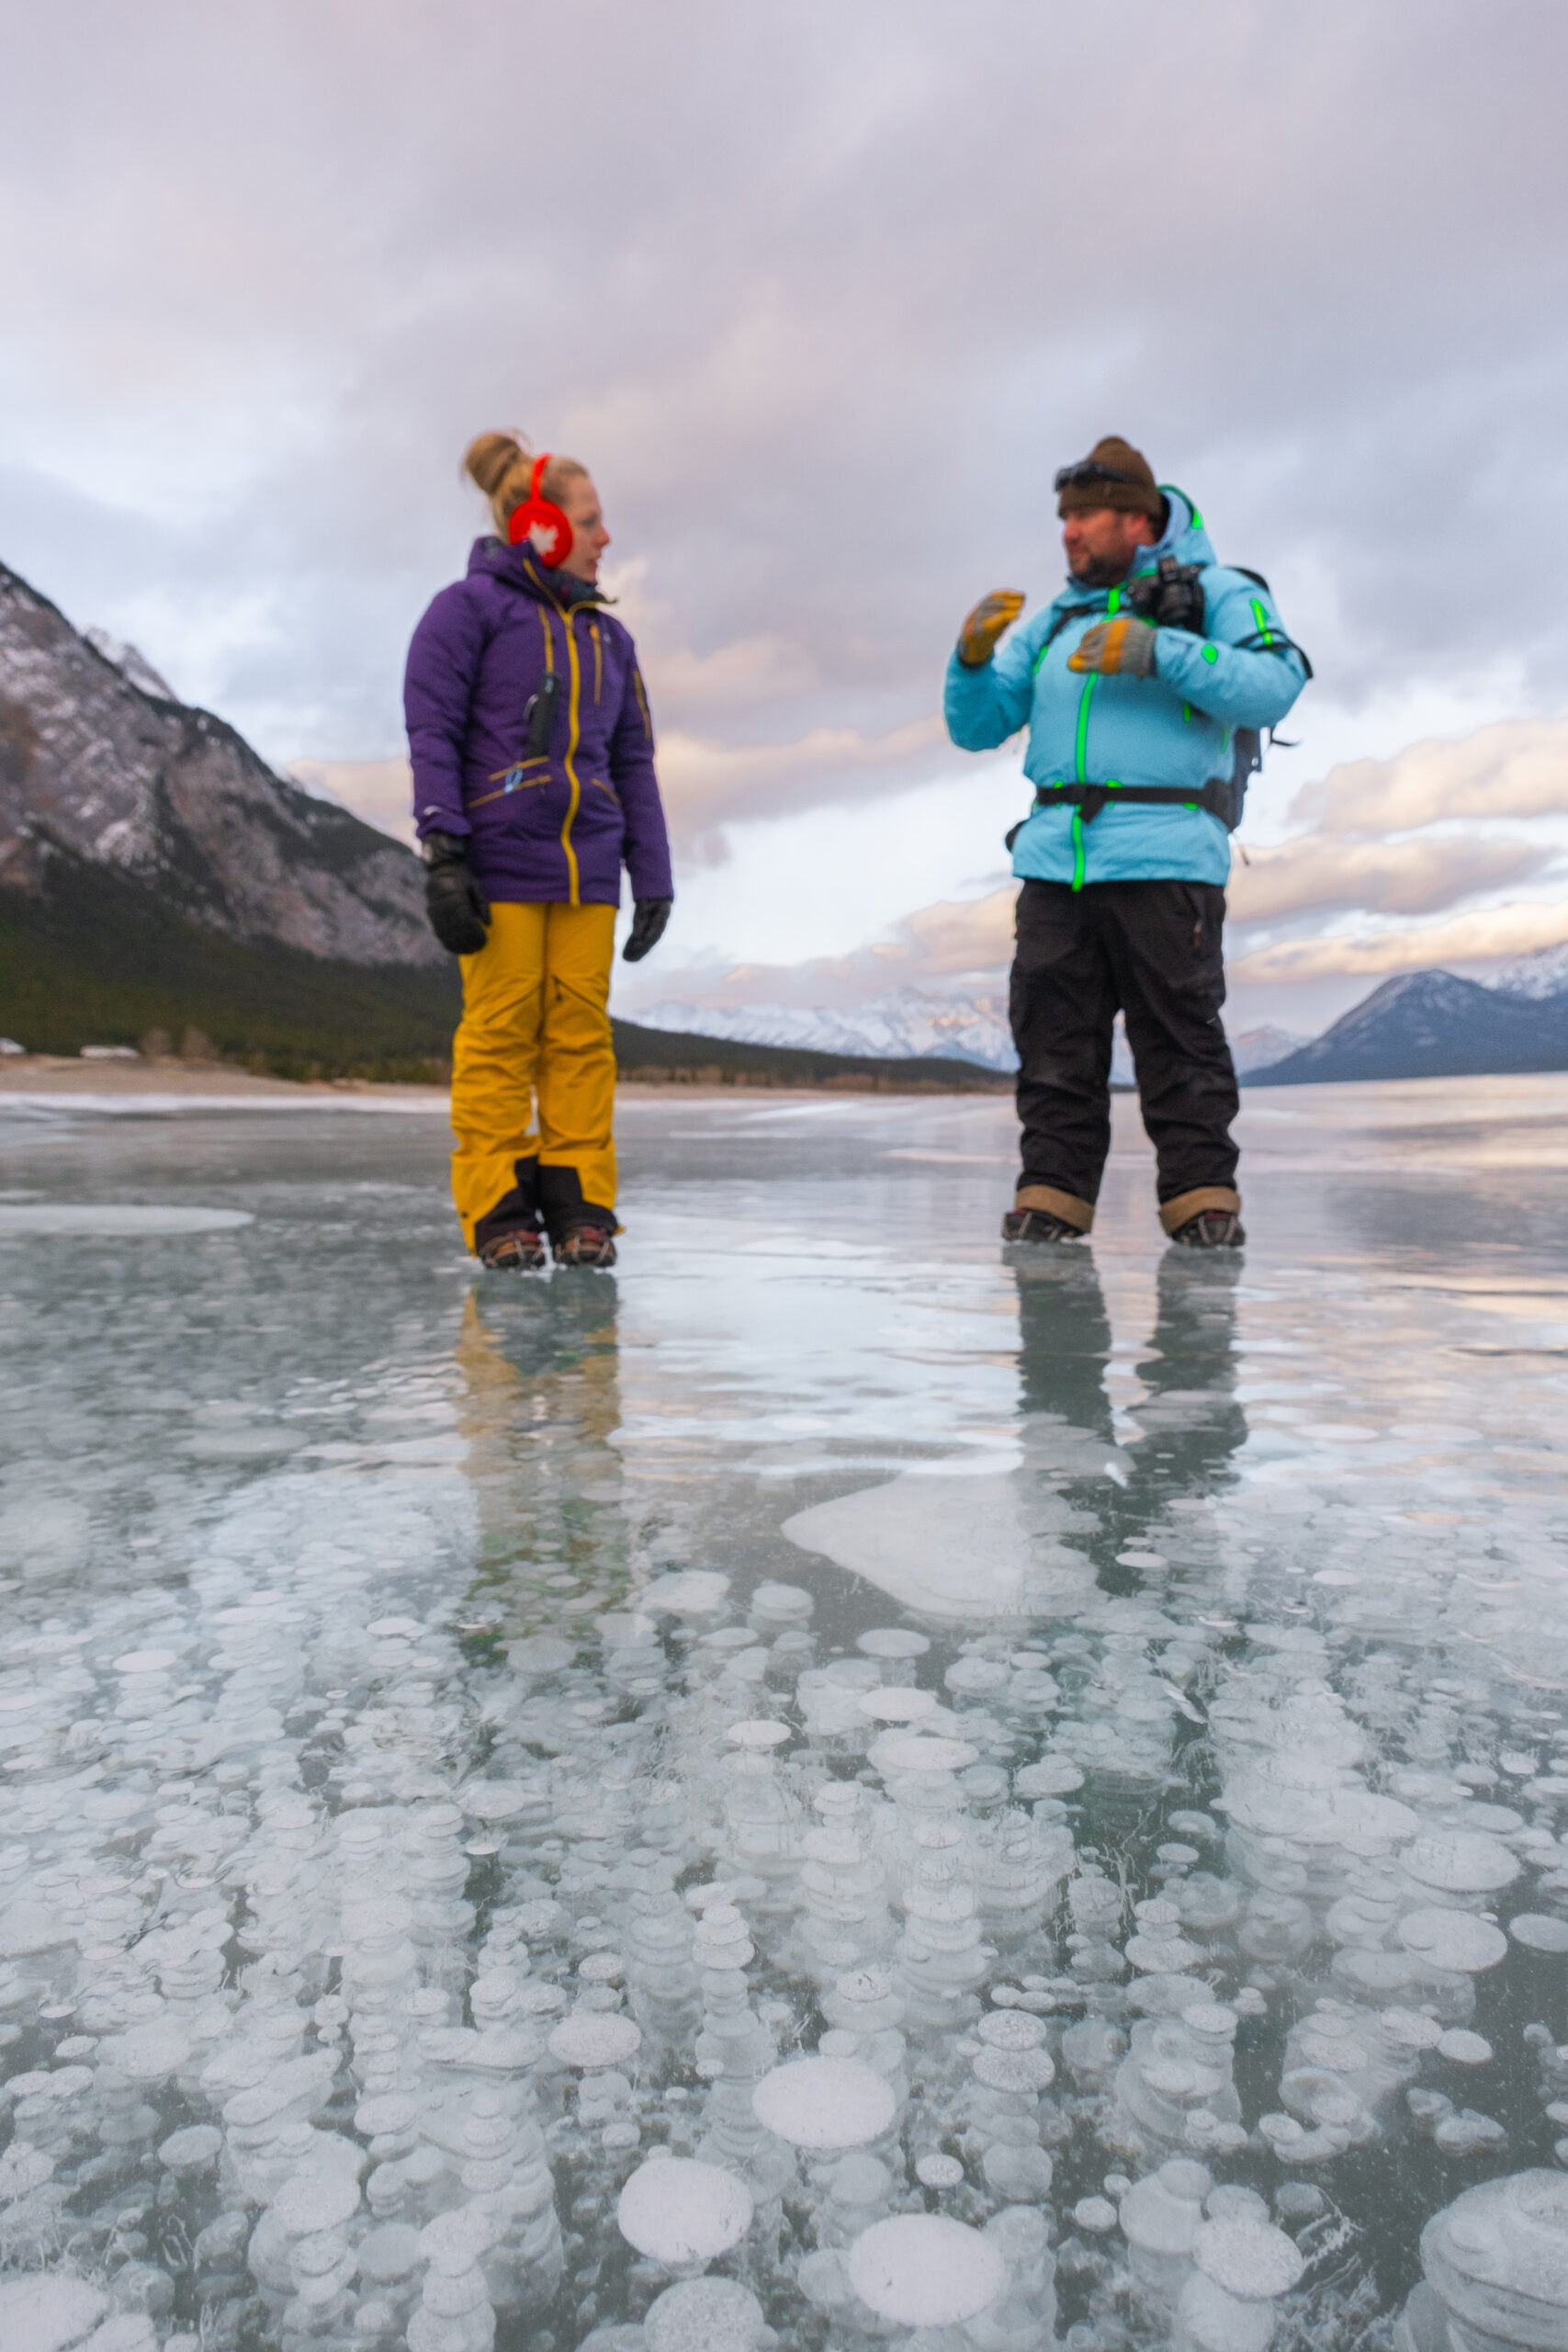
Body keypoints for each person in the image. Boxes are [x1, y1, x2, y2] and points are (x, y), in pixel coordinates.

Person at [944, 435, 1308, 1250]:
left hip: (1166, 856)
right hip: (1053, 865)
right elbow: (976, 726)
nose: (1068, 532)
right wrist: (969, 661)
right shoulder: (1055, 619)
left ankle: (1203, 1205)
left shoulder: (1219, 592)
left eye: (1086, 515)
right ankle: (1051, 1202)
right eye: (1064, 517)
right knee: (1052, 1052)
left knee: (1178, 1046)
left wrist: (1158, 650)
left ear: (1139, 521)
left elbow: (1275, 683)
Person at [404, 431, 674, 1272]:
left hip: (586, 871)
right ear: (545, 527)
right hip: (502, 863)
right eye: (591, 523)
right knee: (499, 1034)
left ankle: (579, 1205)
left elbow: (632, 761)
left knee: (580, 1038)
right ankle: (498, 1209)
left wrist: (651, 873)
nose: (604, 539)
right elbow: (432, 729)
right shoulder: (466, 611)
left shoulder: (608, 641)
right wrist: (444, 847)